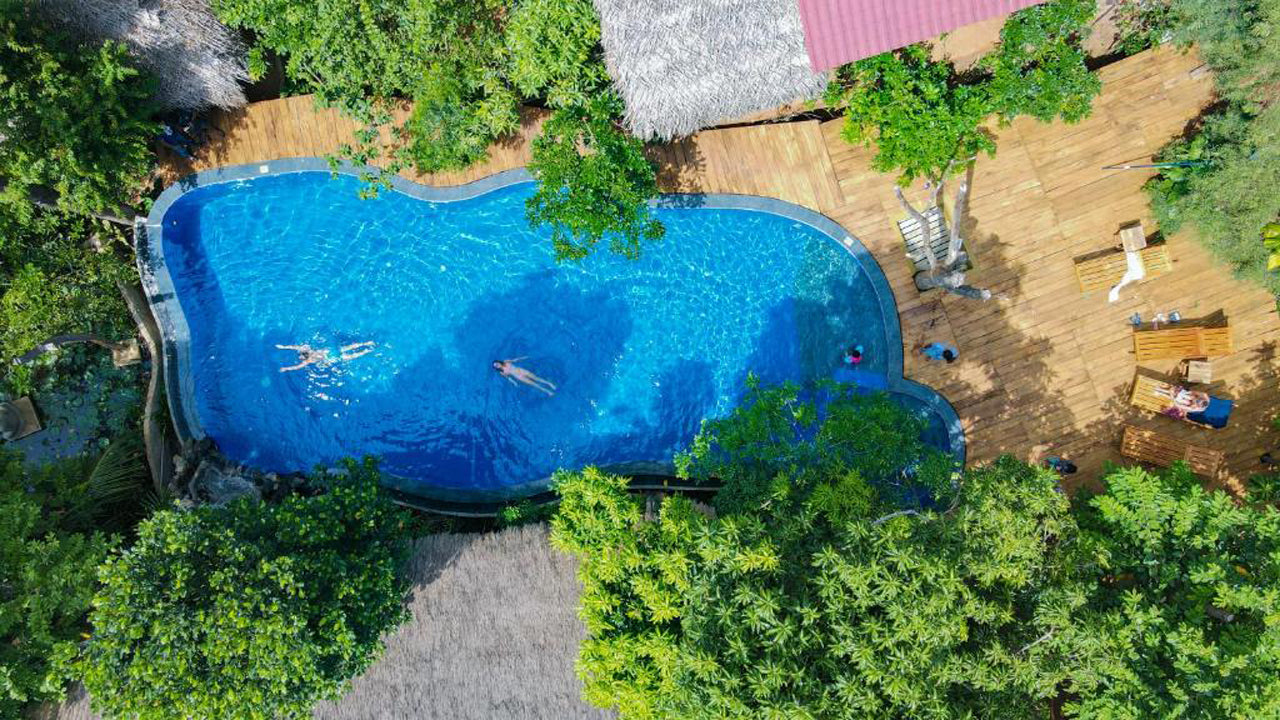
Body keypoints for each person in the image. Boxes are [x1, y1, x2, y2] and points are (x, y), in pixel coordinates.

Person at [276, 341, 375, 373]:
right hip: (329, 352)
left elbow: (297, 367)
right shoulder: (309, 350)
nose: (300, 358)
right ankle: (367, 343)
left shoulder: (309, 361)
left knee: (351, 356)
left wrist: (286, 368)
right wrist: (283, 347)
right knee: (348, 347)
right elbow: (295, 347)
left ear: (304, 357)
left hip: (330, 358)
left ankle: (367, 350)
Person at [493, 357, 557, 396]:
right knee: (534, 384)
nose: (497, 365)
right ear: (496, 368)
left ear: (498, 362)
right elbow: (508, 378)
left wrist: (523, 358)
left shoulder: (506, 361)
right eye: (495, 366)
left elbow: (515, 360)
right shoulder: (501, 372)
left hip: (522, 371)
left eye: (496, 363)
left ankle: (550, 384)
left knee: (536, 378)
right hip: (519, 377)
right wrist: (514, 382)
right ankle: (548, 392)